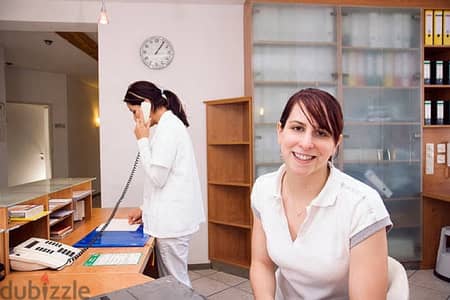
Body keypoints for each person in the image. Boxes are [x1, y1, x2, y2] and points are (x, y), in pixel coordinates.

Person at [250, 88, 392, 299]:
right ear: (280, 132)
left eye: (321, 133)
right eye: (297, 128)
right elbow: (261, 264)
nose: (306, 143)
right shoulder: (263, 188)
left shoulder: (363, 206)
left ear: (336, 144)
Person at [124, 81, 205, 287]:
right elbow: (167, 179)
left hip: (172, 224)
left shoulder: (169, 129)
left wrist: (142, 140)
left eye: (134, 111)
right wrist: (145, 209)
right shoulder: (167, 126)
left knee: (176, 283)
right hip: (169, 221)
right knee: (171, 282)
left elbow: (157, 178)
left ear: (145, 104)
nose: (135, 118)